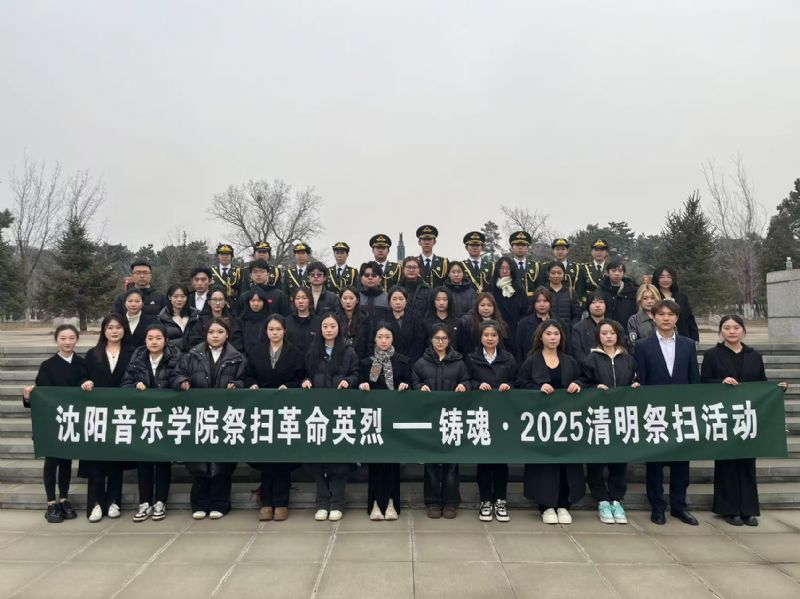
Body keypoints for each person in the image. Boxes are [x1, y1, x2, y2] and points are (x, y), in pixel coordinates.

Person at [701, 315, 789, 526]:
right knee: (727, 464)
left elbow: (761, 384)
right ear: (720, 331)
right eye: (727, 328)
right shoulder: (712, 355)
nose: (732, 331)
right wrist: (720, 382)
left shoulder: (754, 355)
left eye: (736, 327)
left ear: (743, 330)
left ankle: (748, 509)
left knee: (748, 463)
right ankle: (729, 509)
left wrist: (776, 389)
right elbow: (703, 382)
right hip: (724, 417)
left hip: (748, 417)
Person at [173, 318, 247, 520]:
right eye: (212, 332)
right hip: (199, 417)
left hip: (225, 417)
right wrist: (182, 381)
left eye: (220, 332)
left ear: (227, 334)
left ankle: (220, 503)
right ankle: (199, 503)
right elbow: (177, 374)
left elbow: (244, 380)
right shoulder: (192, 355)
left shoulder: (237, 358)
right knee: (199, 461)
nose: (215, 336)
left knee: (222, 464)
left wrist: (237, 385)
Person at [636, 299, 701, 526]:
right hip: (655, 412)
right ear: (653, 317)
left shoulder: (687, 344)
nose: (666, 318)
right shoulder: (643, 345)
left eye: (670, 314)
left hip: (681, 411)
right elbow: (642, 379)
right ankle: (657, 506)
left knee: (681, 462)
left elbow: (694, 378)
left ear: (677, 318)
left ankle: (679, 506)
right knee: (654, 462)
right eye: (661, 314)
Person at [516, 320, 584, 525]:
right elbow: (520, 384)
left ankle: (564, 504)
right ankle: (545, 505)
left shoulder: (570, 361)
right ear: (540, 337)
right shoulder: (531, 361)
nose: (553, 337)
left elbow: (583, 379)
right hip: (540, 423)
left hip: (566, 422)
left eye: (556, 334)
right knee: (543, 465)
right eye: (548, 334)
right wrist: (537, 389)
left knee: (566, 464)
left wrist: (577, 384)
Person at [22, 324, 87, 523]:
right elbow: (40, 396)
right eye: (63, 338)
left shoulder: (82, 363)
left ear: (77, 340)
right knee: (51, 462)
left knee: (66, 461)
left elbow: (87, 388)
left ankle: (64, 499)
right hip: (53, 421)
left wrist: (88, 384)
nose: (67, 342)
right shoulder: (47, 365)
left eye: (71, 338)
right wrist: (29, 396)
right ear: (56, 340)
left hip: (72, 420)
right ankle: (51, 502)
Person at [578, 319, 639, 525]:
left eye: (612, 333)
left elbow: (634, 378)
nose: (608, 336)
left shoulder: (628, 359)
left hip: (621, 417)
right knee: (597, 460)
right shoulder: (591, 359)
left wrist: (636, 384)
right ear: (598, 336)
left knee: (619, 459)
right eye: (604, 333)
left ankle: (616, 499)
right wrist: (594, 388)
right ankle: (601, 499)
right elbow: (583, 382)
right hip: (599, 416)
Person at [246, 314, 306, 521]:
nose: (274, 333)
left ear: (285, 331)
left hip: (285, 410)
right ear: (266, 331)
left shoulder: (295, 352)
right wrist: (253, 385)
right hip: (263, 410)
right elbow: (249, 375)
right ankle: (266, 502)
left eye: (278, 329)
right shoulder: (256, 351)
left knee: (282, 457)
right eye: (271, 329)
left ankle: (281, 502)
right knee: (265, 456)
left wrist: (289, 387)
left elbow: (301, 378)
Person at [302, 314, 360, 521]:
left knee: (339, 459)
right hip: (318, 412)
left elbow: (356, 374)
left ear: (339, 328)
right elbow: (305, 373)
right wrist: (306, 381)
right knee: (318, 458)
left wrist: (348, 381)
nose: (328, 329)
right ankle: (322, 501)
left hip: (340, 411)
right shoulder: (313, 351)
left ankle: (337, 501)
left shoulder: (348, 351)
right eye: (325, 326)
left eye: (332, 326)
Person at [121, 323, 181, 522]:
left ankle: (160, 501)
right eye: (150, 338)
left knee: (163, 461)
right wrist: (134, 386)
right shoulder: (137, 359)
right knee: (144, 461)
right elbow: (125, 384)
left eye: (158, 338)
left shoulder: (174, 358)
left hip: (165, 417)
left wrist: (178, 384)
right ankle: (144, 502)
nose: (154, 342)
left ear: (166, 340)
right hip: (143, 418)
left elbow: (179, 378)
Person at [79, 314, 135, 522]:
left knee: (116, 460)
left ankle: (113, 502)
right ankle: (95, 504)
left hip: (122, 413)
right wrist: (86, 382)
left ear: (124, 330)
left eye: (118, 327)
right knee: (96, 459)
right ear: (104, 330)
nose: (114, 331)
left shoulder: (133, 353)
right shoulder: (93, 354)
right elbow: (82, 376)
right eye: (110, 327)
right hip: (98, 415)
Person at [412, 323, 470, 519]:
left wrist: (464, 386)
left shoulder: (459, 362)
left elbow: (466, 380)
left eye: (444, 338)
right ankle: (432, 501)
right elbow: (414, 381)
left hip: (451, 419)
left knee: (451, 464)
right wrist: (419, 387)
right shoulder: (421, 363)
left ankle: (451, 502)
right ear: (431, 340)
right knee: (431, 464)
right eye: (437, 338)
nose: (440, 342)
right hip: (429, 418)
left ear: (449, 340)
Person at [359, 325, 411, 521]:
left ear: (392, 339)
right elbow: (359, 383)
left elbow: (410, 383)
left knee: (391, 462)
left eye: (387, 337)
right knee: (375, 462)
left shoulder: (402, 361)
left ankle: (391, 502)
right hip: (373, 419)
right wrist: (362, 385)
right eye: (379, 336)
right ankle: (374, 503)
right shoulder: (366, 363)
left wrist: (406, 386)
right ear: (374, 339)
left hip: (394, 417)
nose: (383, 340)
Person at [466, 320, 517, 522]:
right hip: (481, 415)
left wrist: (508, 385)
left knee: (501, 460)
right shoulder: (472, 358)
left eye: (493, 335)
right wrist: (477, 385)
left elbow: (517, 380)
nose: (490, 338)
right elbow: (466, 380)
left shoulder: (508, 358)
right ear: (480, 337)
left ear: (499, 337)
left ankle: (500, 500)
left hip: (502, 415)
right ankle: (486, 500)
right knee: (485, 459)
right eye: (486, 335)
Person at [514, 287, 568, 362]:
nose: (542, 304)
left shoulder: (560, 323)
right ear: (533, 303)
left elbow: (567, 348)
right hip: (531, 365)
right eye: (538, 301)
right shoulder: (523, 324)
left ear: (550, 303)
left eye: (545, 301)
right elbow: (518, 351)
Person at [652, 265, 700, 342]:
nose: (666, 280)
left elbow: (690, 320)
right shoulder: (653, 297)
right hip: (659, 339)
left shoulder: (682, 297)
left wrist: (695, 339)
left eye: (669, 277)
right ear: (656, 279)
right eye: (662, 277)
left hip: (683, 337)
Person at [459, 292, 512, 357]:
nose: (486, 308)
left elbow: (508, 347)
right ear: (477, 306)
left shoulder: (502, 325)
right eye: (482, 305)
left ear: (494, 307)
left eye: (489, 305)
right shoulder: (468, 324)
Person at [386, 285, 426, 364]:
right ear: (389, 302)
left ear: (406, 301)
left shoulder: (416, 319)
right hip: (389, 362)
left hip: (411, 362)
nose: (398, 302)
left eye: (401, 299)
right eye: (394, 299)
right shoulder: (383, 319)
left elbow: (419, 343)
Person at [157, 283, 203, 351]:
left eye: (183, 296)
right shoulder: (162, 318)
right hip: (171, 355)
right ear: (169, 297)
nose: (179, 299)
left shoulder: (195, 316)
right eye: (175, 296)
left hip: (193, 355)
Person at [488, 256, 528, 333]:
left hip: (516, 330)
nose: (505, 271)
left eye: (508, 268)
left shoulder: (519, 289)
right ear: (497, 270)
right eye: (502, 268)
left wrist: (520, 324)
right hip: (495, 330)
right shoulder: (490, 289)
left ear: (511, 270)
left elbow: (525, 311)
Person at [598, 260, 639, 333]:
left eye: (620, 271)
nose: (617, 274)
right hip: (607, 330)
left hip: (628, 329)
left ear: (623, 273)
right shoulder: (601, 291)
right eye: (613, 271)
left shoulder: (632, 290)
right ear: (607, 273)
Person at [233, 286, 272, 355]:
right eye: (253, 300)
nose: (256, 304)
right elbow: (237, 344)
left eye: (259, 301)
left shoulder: (271, 321)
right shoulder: (240, 322)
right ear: (248, 302)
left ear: (264, 302)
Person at [571, 292, 609, 360]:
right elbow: (577, 353)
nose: (597, 305)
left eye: (601, 302)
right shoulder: (578, 328)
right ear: (588, 305)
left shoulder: (614, 326)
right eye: (593, 302)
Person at [336, 286, 372, 358]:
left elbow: (369, 343)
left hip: (360, 359)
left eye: (351, 298)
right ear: (340, 300)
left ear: (357, 300)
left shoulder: (365, 319)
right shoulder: (335, 319)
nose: (348, 302)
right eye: (345, 298)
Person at [543, 261, 581, 326]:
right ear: (548, 274)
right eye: (553, 273)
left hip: (567, 329)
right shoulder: (543, 291)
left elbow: (577, 315)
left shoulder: (570, 292)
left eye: (559, 273)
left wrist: (570, 328)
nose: (556, 276)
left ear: (564, 274)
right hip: (547, 329)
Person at [285, 287, 322, 354]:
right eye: (297, 298)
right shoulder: (287, 321)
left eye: (304, 298)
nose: (300, 301)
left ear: (310, 300)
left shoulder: (318, 321)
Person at [575, 238, 609, 307]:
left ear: (606, 252)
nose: (599, 252)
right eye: (596, 250)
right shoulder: (583, 268)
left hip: (607, 304)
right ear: (591, 252)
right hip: (588, 304)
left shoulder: (611, 268)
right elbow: (579, 291)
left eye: (602, 250)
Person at [627, 283, 660, 351]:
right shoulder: (634, 320)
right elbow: (633, 344)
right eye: (645, 298)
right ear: (640, 300)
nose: (649, 301)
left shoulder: (665, 317)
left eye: (652, 298)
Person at [508, 230, 541, 296]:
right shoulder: (507, 266)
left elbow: (540, 288)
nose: (520, 247)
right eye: (517, 245)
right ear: (512, 248)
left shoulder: (536, 266)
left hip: (531, 301)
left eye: (523, 245)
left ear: (527, 248)